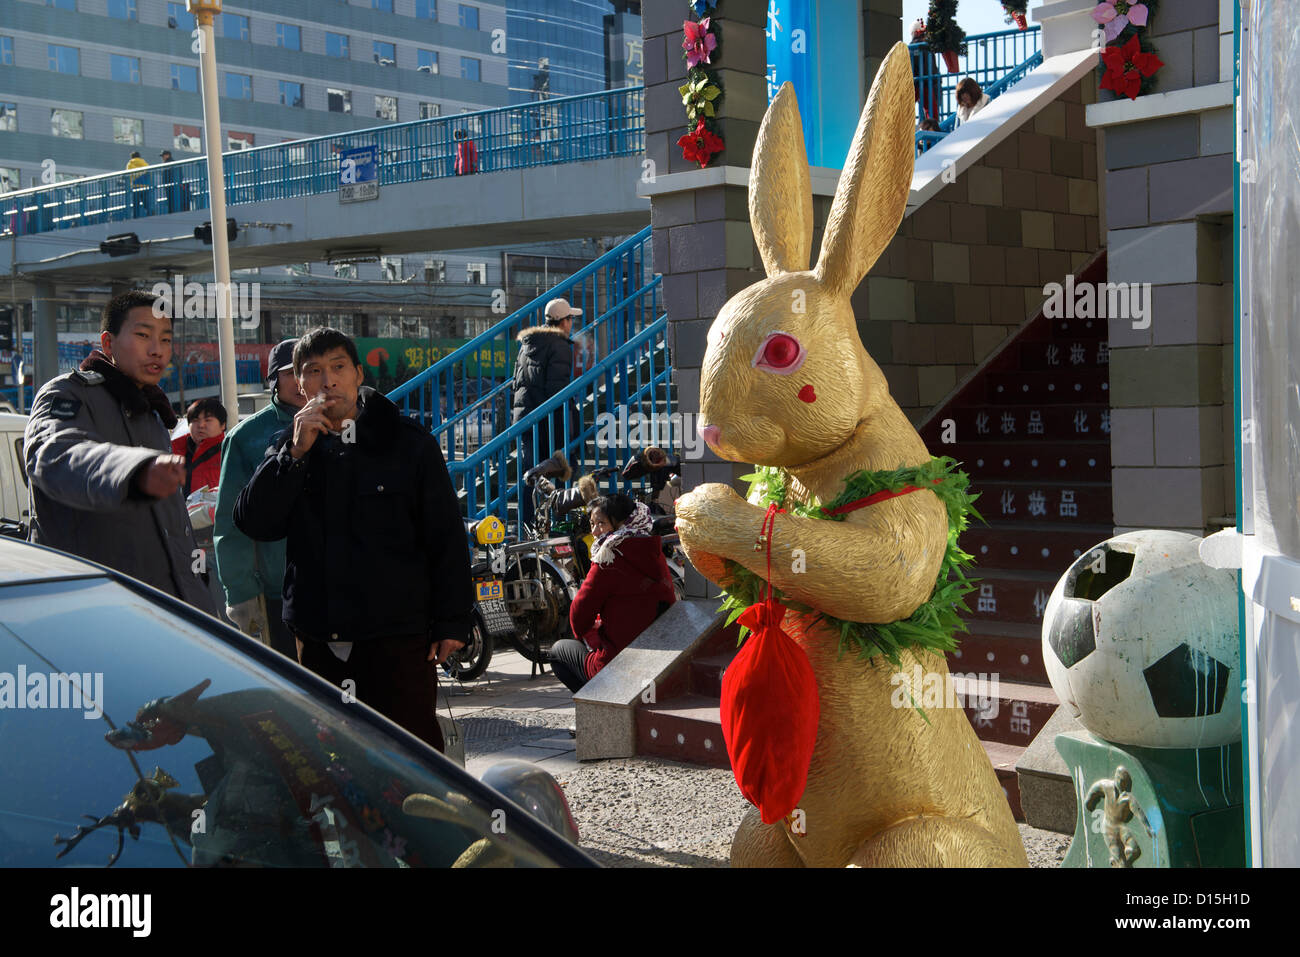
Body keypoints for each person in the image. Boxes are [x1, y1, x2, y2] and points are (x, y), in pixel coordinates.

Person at [233, 327, 473, 752]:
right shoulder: (289, 445)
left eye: (338, 368)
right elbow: (255, 522)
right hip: (318, 637)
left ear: (358, 374)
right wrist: (294, 455)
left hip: (396, 636)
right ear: (299, 383)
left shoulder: (407, 442)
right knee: (330, 758)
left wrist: (452, 620)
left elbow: (445, 536)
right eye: (315, 371)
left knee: (410, 757)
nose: (328, 381)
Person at [23, 290, 216, 614]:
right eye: (143, 335)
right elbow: (57, 453)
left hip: (171, 614)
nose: (157, 350)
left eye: (166, 339)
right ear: (108, 343)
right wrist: (133, 471)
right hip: (95, 613)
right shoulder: (67, 394)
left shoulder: (152, 413)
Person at [214, 339, 304, 657]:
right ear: (273, 380)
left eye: (309, 369)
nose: (301, 379)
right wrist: (241, 594)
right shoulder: (246, 437)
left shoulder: (341, 426)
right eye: (291, 372)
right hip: (274, 592)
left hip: (335, 587)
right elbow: (229, 522)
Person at [547, 493, 676, 693]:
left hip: (619, 662)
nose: (596, 531)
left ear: (620, 523)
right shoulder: (652, 548)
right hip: (661, 658)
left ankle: (599, 706)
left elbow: (578, 620)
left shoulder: (608, 557)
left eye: (602, 523)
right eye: (592, 524)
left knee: (559, 651)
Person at [512, 297, 579, 527]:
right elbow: (557, 391)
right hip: (548, 422)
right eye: (571, 319)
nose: (572, 324)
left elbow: (516, 382)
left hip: (525, 419)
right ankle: (557, 526)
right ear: (564, 321)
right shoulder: (559, 345)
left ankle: (528, 528)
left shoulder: (527, 344)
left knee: (530, 476)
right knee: (559, 473)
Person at [172, 397, 226, 496]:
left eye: (208, 420)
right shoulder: (172, 452)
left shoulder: (230, 452)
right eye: (195, 420)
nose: (201, 425)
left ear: (223, 425)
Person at [909, 19, 941, 123]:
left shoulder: (911, 48)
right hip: (928, 81)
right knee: (931, 111)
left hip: (915, 81)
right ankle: (933, 128)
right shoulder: (927, 46)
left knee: (906, 108)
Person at [125, 151, 150, 217]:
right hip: (145, 185)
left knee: (136, 203)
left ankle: (136, 216)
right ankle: (150, 213)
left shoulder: (130, 164)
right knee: (146, 202)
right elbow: (148, 172)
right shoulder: (144, 163)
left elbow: (129, 174)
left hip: (135, 186)